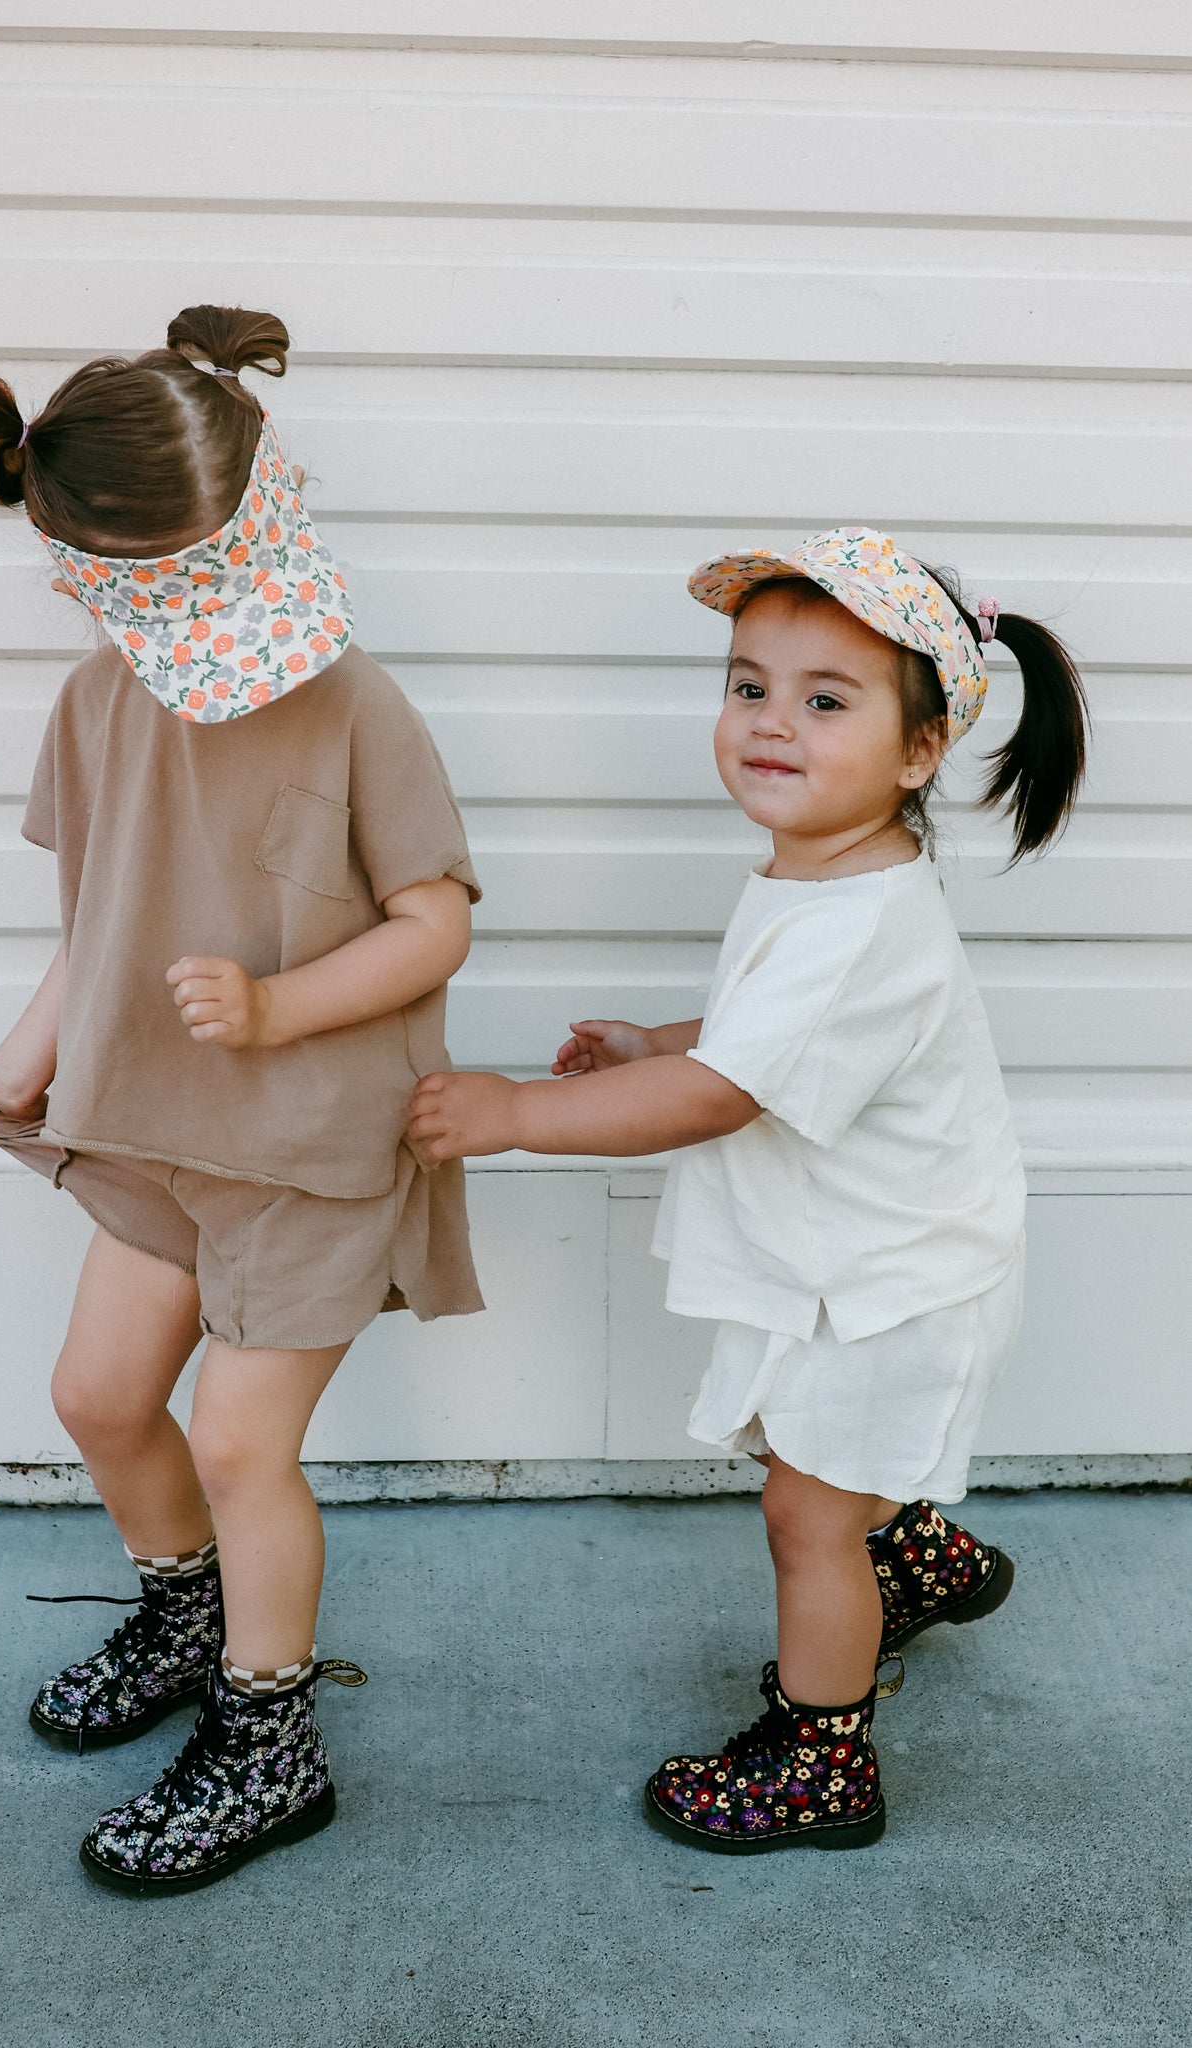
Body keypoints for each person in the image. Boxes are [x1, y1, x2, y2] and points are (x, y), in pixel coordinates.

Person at [0, 305, 484, 1893]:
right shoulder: (100, 702)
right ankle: (186, 1616)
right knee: (97, 1398)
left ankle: (268, 1738)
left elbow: (435, 916)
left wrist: (283, 1003)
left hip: (309, 1149)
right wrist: (24, 1053)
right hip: (151, 1126)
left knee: (241, 1445)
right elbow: (97, 917)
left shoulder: (354, 704)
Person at [408, 528, 1087, 1855]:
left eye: (823, 700)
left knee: (801, 1517)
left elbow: (725, 1093)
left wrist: (518, 1117)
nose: (769, 723)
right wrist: (663, 1039)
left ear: (916, 750)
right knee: (805, 1456)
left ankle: (821, 1759)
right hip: (860, 1262)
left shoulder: (861, 922)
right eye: (746, 684)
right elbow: (748, 1034)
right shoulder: (827, 874)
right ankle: (920, 1561)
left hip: (894, 1287)